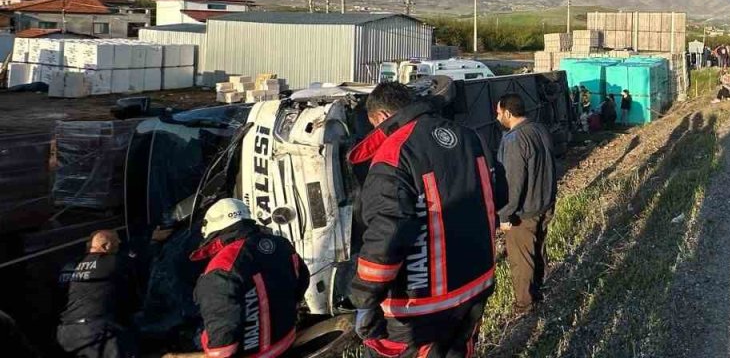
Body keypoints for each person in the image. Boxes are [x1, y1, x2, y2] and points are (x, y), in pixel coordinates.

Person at [345, 79, 498, 358]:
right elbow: (499, 195)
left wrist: (364, 299)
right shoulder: (470, 137)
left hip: (421, 304)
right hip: (477, 284)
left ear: (381, 117)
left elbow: (388, 233)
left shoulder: (394, 152)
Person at [190, 198, 310, 358]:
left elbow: (223, 344)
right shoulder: (280, 244)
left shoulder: (222, 267)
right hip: (286, 341)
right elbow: (302, 280)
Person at [495, 93, 558, 314]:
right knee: (538, 252)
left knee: (521, 261)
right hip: (545, 203)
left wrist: (504, 215)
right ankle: (538, 293)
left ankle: (524, 306)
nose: (497, 117)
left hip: (524, 211)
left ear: (508, 113)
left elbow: (512, 182)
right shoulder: (540, 130)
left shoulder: (513, 140)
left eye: (498, 112)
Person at [57, 229, 138, 358]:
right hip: (96, 331)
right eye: (117, 245)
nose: (118, 247)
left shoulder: (71, 266)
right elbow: (135, 266)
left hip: (67, 333)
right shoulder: (112, 262)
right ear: (106, 246)